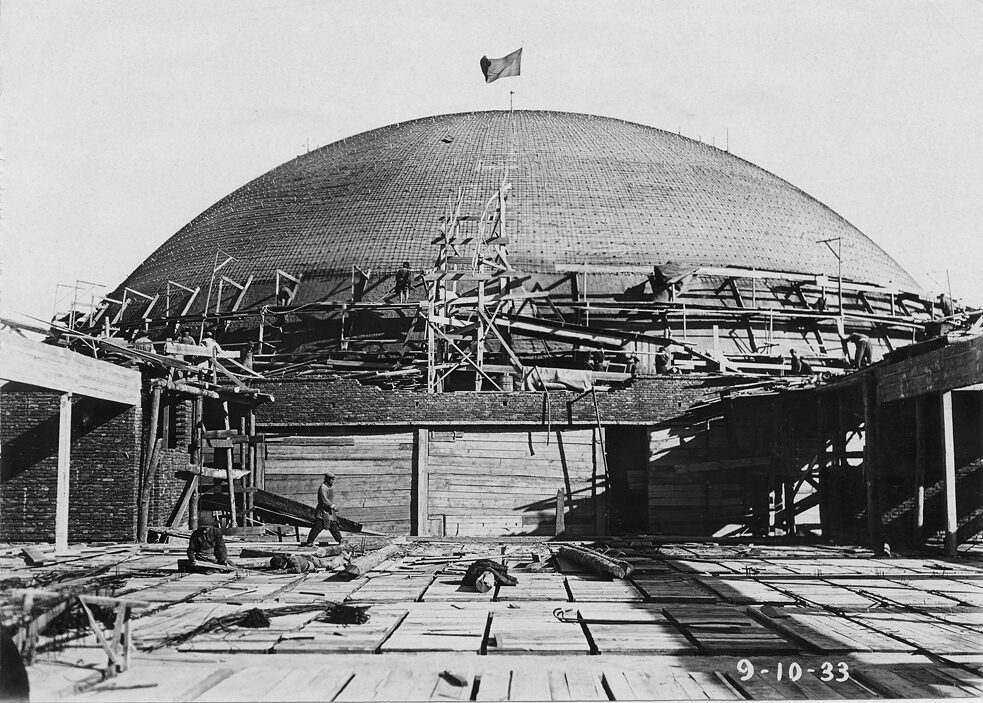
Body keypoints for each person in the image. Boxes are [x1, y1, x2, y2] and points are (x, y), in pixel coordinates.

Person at [304, 472, 343, 546]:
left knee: (334, 527)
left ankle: (341, 541)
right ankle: (309, 542)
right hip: (322, 513)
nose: (333, 481)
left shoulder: (328, 487)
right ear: (328, 479)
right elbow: (324, 500)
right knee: (317, 528)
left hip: (328, 513)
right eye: (332, 479)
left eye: (333, 479)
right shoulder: (323, 487)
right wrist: (333, 506)